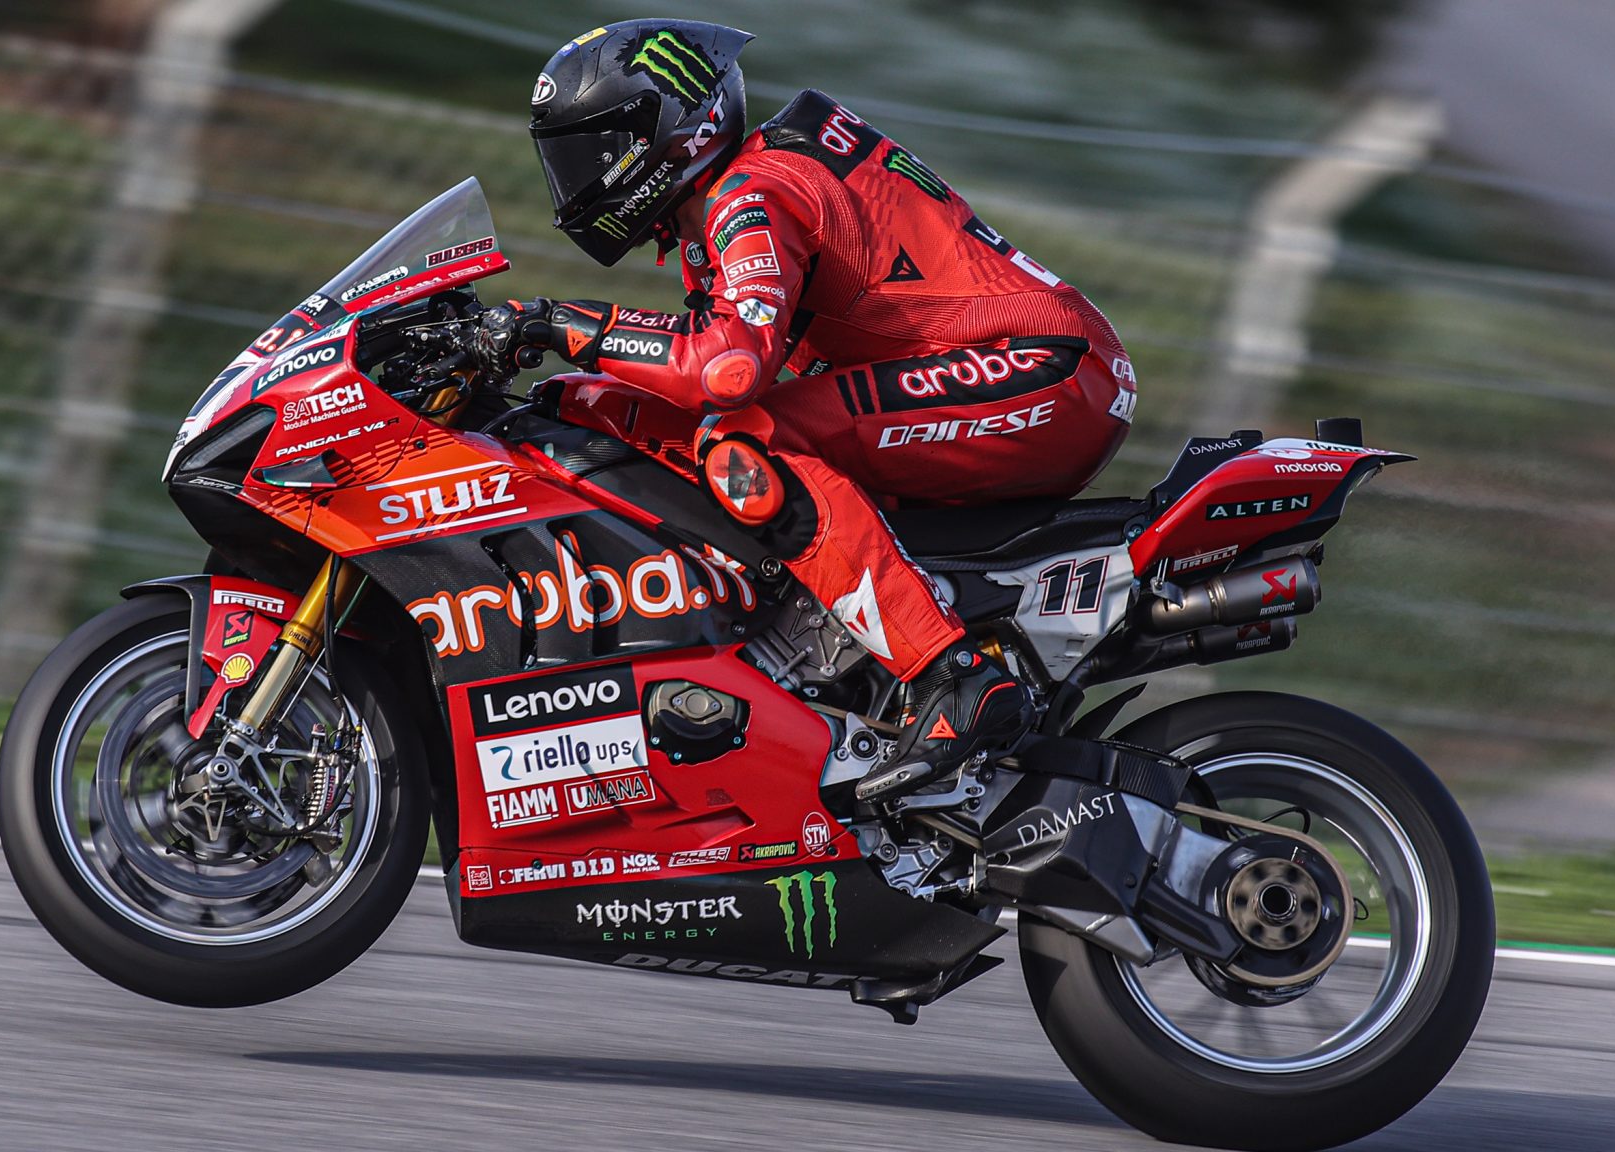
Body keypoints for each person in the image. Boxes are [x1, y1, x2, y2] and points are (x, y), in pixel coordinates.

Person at [480, 19, 1138, 800]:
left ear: (665, 132)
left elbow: (727, 369)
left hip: (1040, 369)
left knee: (747, 445)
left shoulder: (749, 194)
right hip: (1031, 368)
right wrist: (573, 391)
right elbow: (703, 367)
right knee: (625, 412)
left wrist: (560, 324)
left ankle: (954, 675)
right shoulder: (727, 206)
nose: (577, 179)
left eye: (594, 151)